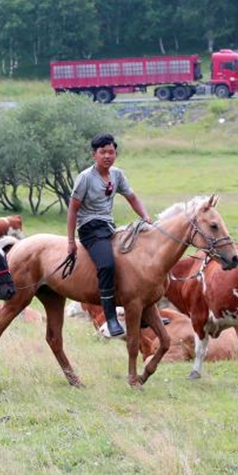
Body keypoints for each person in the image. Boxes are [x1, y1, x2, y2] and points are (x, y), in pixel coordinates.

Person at [66, 134, 152, 337]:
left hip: (108, 227)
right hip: (90, 228)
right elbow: (73, 210)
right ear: (94, 155)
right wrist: (70, 241)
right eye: (102, 152)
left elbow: (131, 197)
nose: (107, 156)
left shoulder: (118, 175)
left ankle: (145, 314)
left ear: (116, 154)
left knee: (136, 260)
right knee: (106, 265)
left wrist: (146, 217)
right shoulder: (85, 178)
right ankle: (111, 317)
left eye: (111, 152)